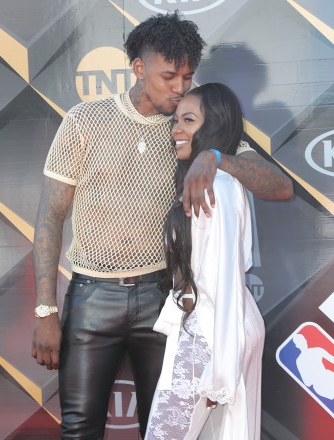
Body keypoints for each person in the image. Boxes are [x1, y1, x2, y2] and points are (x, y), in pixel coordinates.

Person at [31, 11, 292, 440]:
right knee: (78, 429)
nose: (179, 88)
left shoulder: (196, 130)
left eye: (187, 77)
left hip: (164, 301)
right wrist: (45, 310)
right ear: (138, 68)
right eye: (169, 76)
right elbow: (49, 215)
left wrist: (218, 157)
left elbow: (280, 188)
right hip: (93, 297)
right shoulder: (85, 120)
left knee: (165, 429)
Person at [145, 83, 265, 440]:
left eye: (188, 120)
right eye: (176, 119)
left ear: (213, 126)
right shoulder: (211, 182)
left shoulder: (219, 186)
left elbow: (223, 282)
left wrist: (220, 374)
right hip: (210, 332)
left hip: (209, 339)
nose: (175, 129)